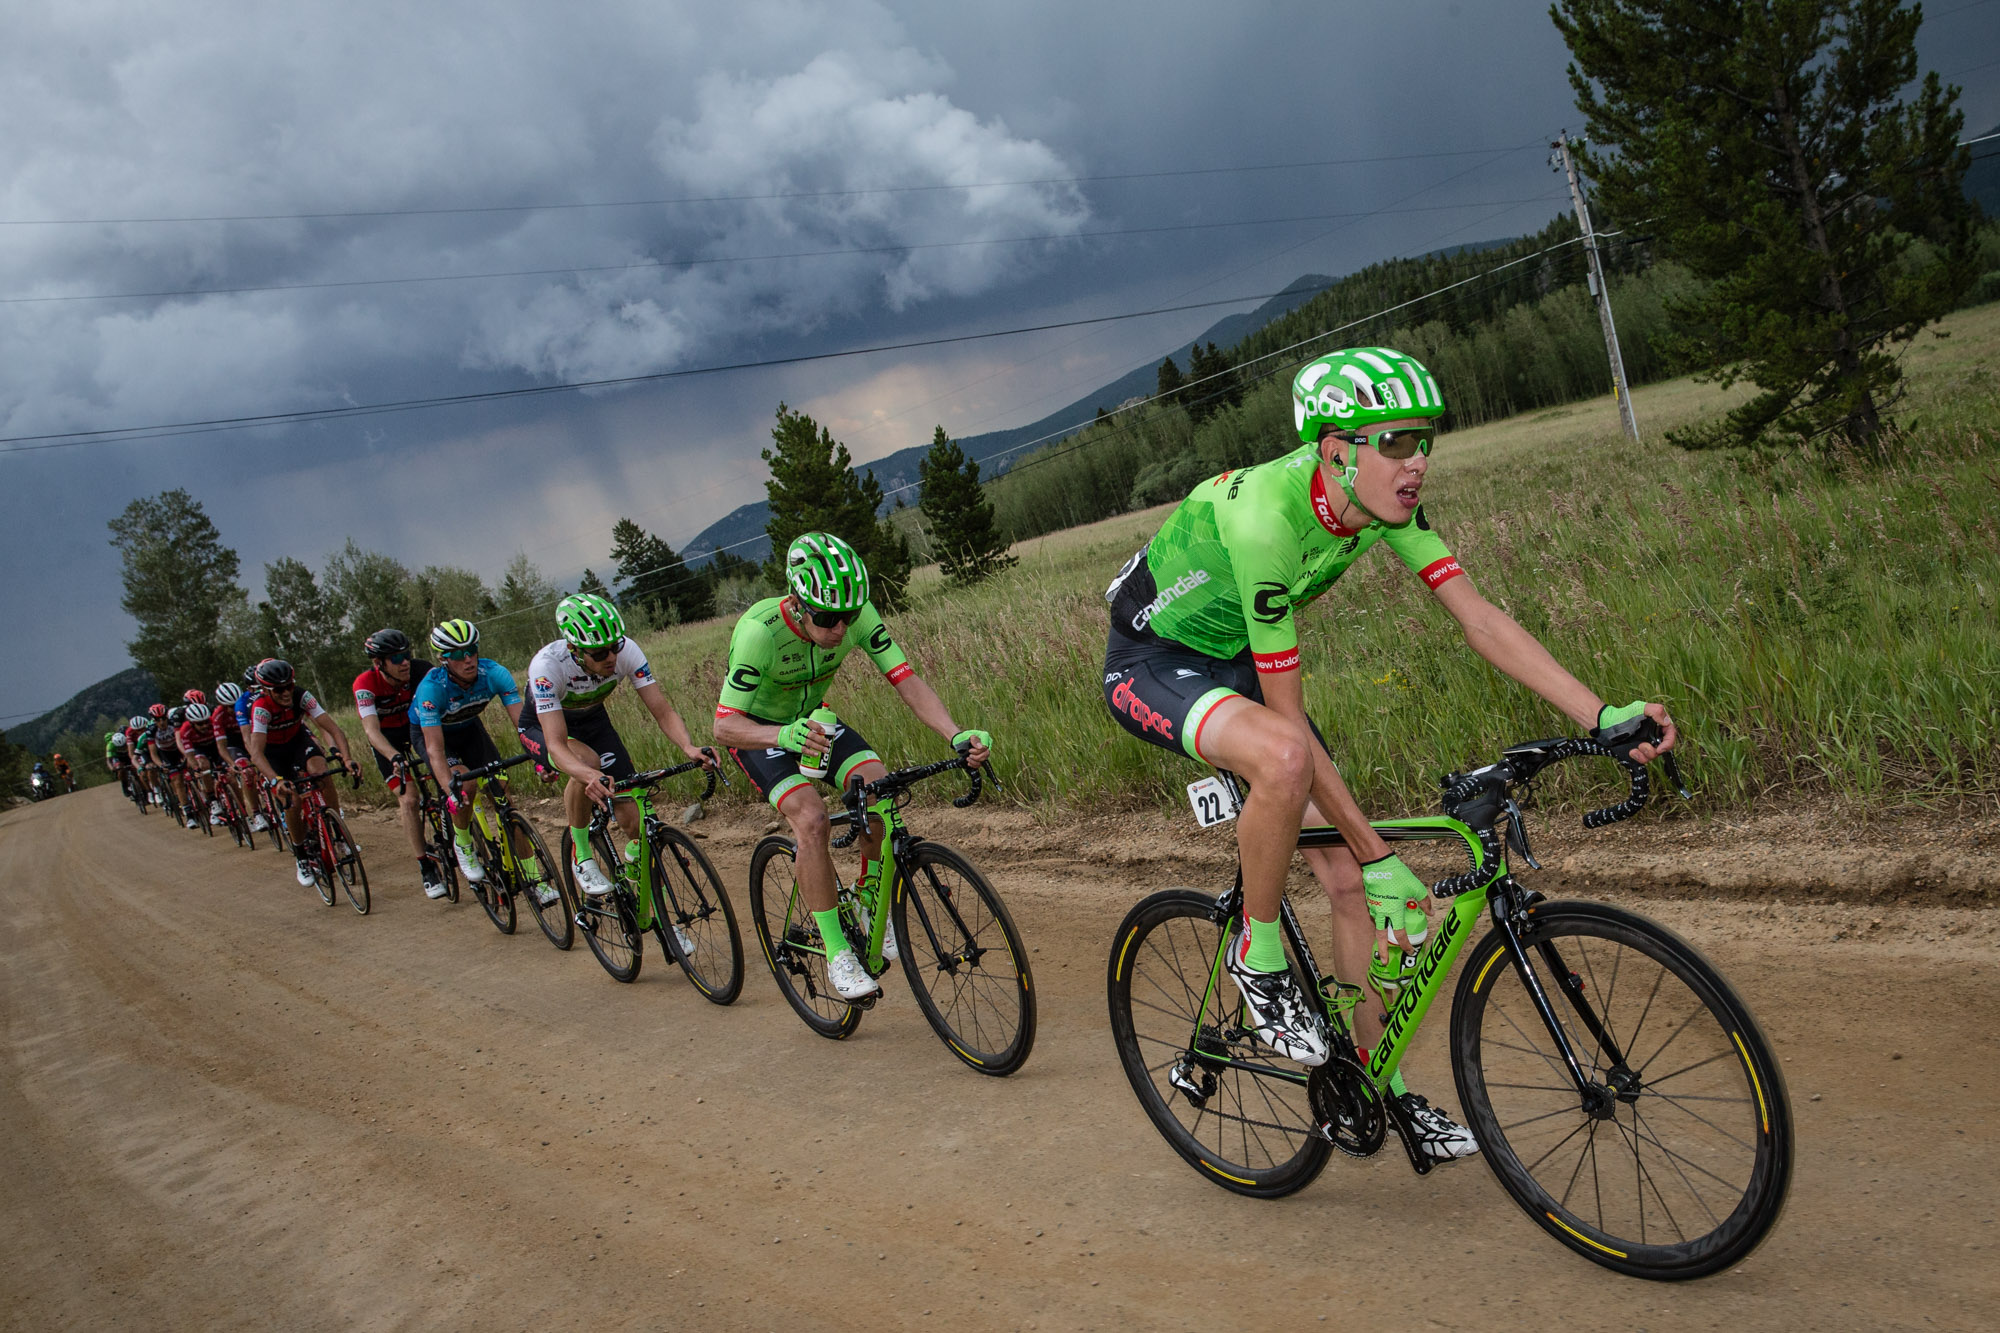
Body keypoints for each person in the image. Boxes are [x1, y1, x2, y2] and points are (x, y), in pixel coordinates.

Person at [1098, 346, 1677, 1166]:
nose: (1418, 461)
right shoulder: (1266, 518)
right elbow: (1291, 734)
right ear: (1337, 449)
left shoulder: (1387, 509)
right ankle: (1256, 957)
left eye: (1426, 440)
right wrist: (1376, 852)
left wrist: (1604, 713)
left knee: (1348, 886)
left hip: (1234, 661)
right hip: (1154, 661)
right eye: (1397, 441)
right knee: (1291, 769)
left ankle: (1376, 1083)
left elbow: (1478, 618)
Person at [711, 532, 992, 1002]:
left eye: (847, 617)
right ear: (799, 605)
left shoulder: (856, 615)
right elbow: (724, 727)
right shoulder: (760, 632)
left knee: (880, 790)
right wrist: (781, 735)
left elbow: (905, 680)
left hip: (813, 723)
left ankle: (866, 904)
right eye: (827, 618)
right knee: (812, 819)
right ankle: (838, 951)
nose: (840, 629)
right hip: (758, 732)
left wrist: (955, 733)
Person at [517, 592, 716, 912]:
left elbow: (662, 711)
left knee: (635, 817)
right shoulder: (547, 667)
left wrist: (688, 746)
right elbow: (556, 744)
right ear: (575, 650)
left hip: (593, 721)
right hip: (544, 728)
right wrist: (588, 775)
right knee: (587, 765)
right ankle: (581, 856)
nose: (611, 657)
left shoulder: (626, 652)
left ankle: (661, 918)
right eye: (600, 652)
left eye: (615, 647)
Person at [409, 619, 529, 889]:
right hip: (434, 736)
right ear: (443, 659)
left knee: (503, 793)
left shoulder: (495, 673)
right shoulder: (431, 689)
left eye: (472, 650)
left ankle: (535, 876)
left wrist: (541, 756)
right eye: (458, 655)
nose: (468, 660)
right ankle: (462, 840)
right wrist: (451, 790)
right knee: (464, 785)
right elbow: (435, 751)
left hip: (469, 728)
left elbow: (524, 725)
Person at [243, 659, 357, 887]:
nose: (286, 693)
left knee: (321, 772)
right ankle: (301, 857)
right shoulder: (261, 708)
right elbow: (256, 754)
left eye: (289, 686)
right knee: (292, 800)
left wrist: (346, 758)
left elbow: (333, 729)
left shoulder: (302, 696)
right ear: (266, 690)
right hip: (273, 753)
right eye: (279, 689)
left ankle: (335, 831)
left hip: (297, 741)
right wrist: (275, 780)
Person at [352, 628, 445, 897]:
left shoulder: (421, 670)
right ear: (378, 663)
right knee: (409, 799)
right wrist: (392, 755)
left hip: (419, 729)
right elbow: (371, 730)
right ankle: (425, 865)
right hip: (387, 740)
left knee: (445, 773)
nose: (405, 662)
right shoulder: (365, 685)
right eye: (396, 658)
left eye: (406, 655)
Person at [210, 681, 266, 831]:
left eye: (235, 703)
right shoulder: (218, 716)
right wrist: (231, 764)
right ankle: (256, 813)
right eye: (229, 707)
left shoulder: (247, 704)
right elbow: (221, 748)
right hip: (233, 745)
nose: (234, 709)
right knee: (247, 771)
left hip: (250, 737)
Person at [147, 704, 197, 827]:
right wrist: (160, 765)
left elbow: (182, 740)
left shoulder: (173, 724)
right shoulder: (151, 731)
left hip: (178, 750)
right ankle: (188, 813)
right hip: (165, 755)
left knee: (193, 769)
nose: (162, 722)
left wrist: (187, 757)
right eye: (158, 720)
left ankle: (201, 797)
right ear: (154, 720)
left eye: (163, 718)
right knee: (177, 780)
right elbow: (153, 754)